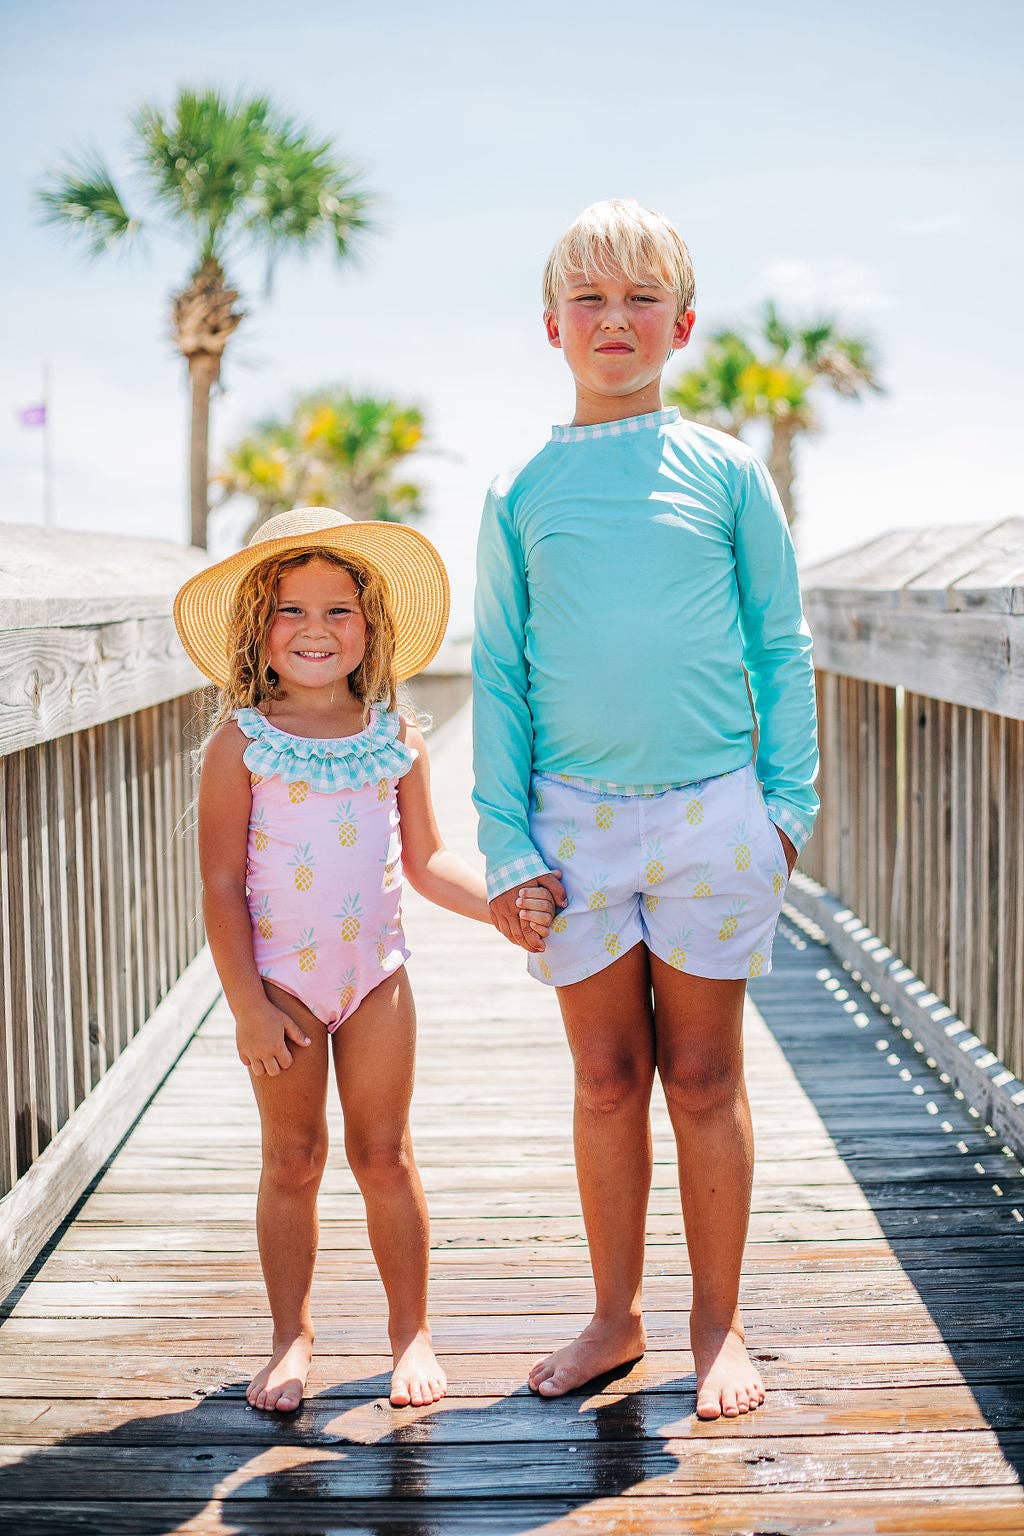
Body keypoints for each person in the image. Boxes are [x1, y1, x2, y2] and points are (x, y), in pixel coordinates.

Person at [471, 200, 819, 1419]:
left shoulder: (723, 471)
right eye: (588, 299)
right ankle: (613, 1316)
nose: (612, 320)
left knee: (704, 1078)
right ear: (551, 326)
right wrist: (505, 843)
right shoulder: (521, 487)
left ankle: (715, 1322)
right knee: (608, 1078)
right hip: (569, 826)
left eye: (637, 301)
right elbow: (501, 673)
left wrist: (785, 809)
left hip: (713, 815)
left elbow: (781, 641)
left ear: (678, 324)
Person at [174, 507, 554, 1413]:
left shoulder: (394, 736)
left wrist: (501, 900)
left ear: (371, 624)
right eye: (292, 610)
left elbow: (425, 861)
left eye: (338, 610)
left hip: (376, 976)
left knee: (385, 1156)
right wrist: (247, 1007)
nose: (315, 630)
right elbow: (222, 885)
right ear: (257, 628)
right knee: (293, 1159)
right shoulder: (242, 742)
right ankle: (290, 1334)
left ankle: (409, 1330)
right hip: (281, 989)